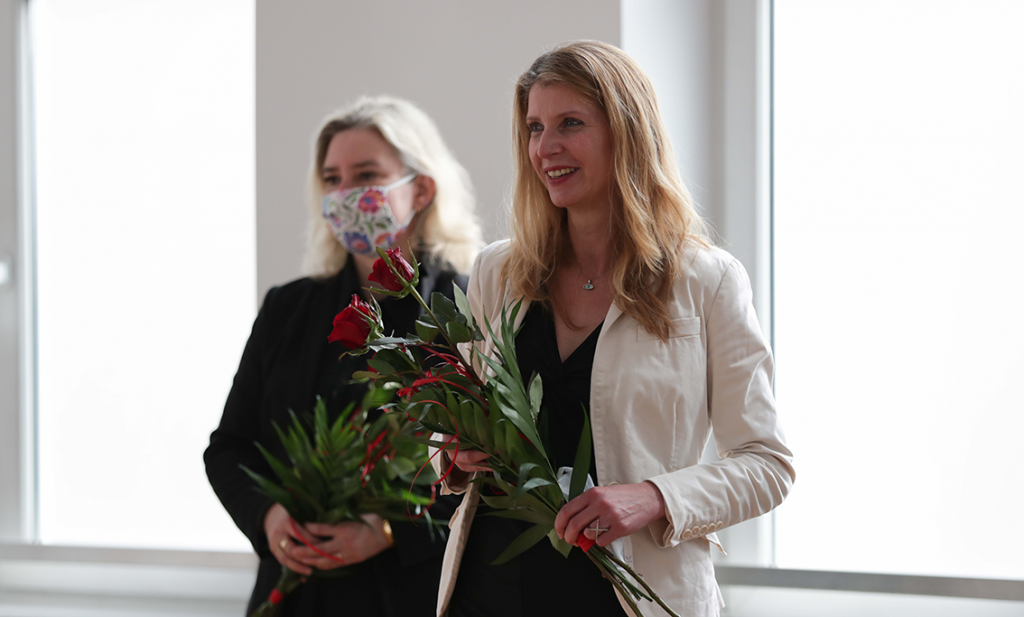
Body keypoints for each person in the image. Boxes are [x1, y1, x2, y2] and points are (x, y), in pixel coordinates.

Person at [438, 41, 795, 617]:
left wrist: (655, 497)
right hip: (490, 588)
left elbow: (766, 464)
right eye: (534, 128)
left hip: (631, 596)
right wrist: (455, 452)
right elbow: (457, 419)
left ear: (627, 132)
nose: (545, 147)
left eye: (570, 123)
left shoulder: (706, 281)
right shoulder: (497, 272)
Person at [205, 95, 482, 616]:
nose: (345, 194)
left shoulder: (469, 307)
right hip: (295, 594)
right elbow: (229, 447)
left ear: (421, 189)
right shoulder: (286, 308)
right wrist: (269, 517)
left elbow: (490, 467)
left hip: (411, 595)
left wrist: (389, 530)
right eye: (332, 179)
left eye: (366, 175)